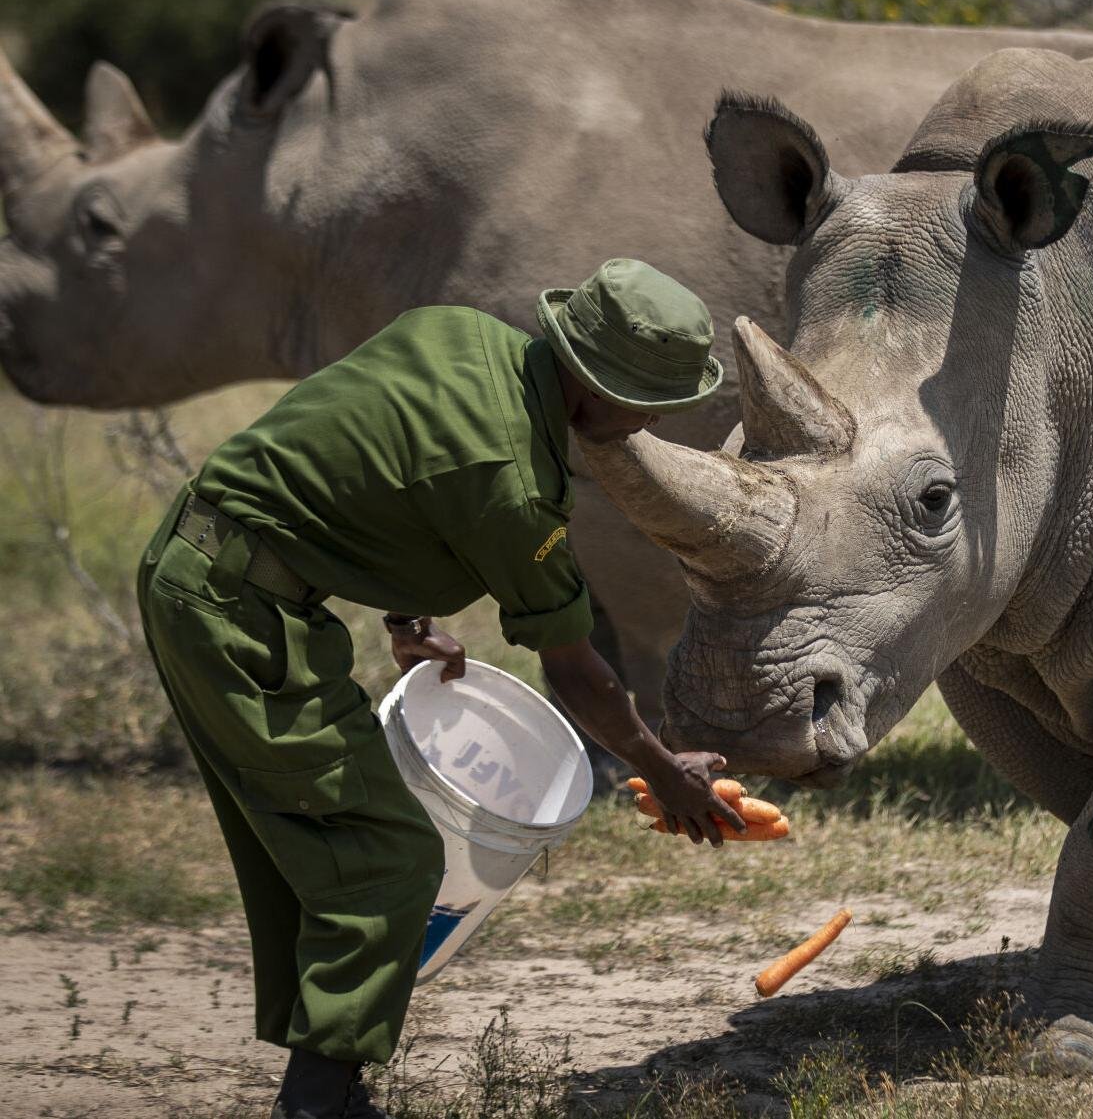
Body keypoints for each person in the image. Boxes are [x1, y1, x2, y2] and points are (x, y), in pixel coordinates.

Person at [135, 259, 746, 1119]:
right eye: (650, 402)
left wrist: (405, 610)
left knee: (324, 846)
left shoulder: (457, 331)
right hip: (236, 612)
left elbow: (375, 450)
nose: (650, 420)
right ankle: (317, 1103)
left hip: (208, 571)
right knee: (387, 853)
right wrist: (661, 766)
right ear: (600, 385)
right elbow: (576, 667)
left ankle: (326, 1082)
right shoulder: (515, 483)